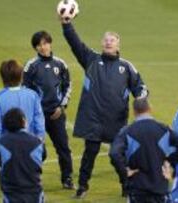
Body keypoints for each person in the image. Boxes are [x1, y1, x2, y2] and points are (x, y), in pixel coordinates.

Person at [59, 12, 148, 198]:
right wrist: (67, 25)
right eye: (106, 40)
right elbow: (75, 43)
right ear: (102, 43)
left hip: (116, 121)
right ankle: (82, 187)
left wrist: (140, 99)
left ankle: (126, 184)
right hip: (93, 119)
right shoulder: (91, 59)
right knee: (89, 153)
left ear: (118, 45)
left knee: (117, 155)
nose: (108, 42)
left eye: (112, 40)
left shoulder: (127, 67)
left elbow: (141, 88)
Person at [110, 98, 178, 203]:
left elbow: (114, 153)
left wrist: (124, 172)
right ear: (150, 108)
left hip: (137, 189)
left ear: (134, 111)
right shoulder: (163, 129)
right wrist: (169, 161)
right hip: (159, 188)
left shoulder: (127, 131)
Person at [23, 30, 74, 189]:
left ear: (50, 43)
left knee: (63, 148)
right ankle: (32, 179)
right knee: (37, 149)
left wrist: (61, 106)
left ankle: (67, 179)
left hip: (56, 113)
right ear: (36, 48)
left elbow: (68, 86)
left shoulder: (60, 64)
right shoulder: (31, 66)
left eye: (45, 43)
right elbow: (26, 90)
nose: (43, 47)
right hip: (37, 115)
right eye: (39, 45)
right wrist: (34, 111)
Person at [0, 60, 45, 168]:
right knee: (31, 179)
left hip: (7, 148)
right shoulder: (33, 95)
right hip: (30, 146)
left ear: (3, 77)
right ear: (21, 76)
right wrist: (40, 142)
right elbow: (40, 122)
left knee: (9, 179)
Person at [0, 108, 46, 203]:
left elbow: (1, 163)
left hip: (11, 194)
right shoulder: (38, 142)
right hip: (34, 194)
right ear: (23, 121)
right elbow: (42, 158)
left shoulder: (1, 143)